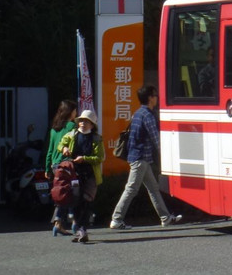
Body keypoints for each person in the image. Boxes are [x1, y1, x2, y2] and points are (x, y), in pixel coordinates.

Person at [110, 85, 182, 230]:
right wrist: (167, 156)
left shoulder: (138, 113)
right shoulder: (148, 116)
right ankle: (116, 219)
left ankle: (165, 218)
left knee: (153, 188)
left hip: (139, 157)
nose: (157, 98)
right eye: (155, 95)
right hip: (141, 158)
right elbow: (156, 139)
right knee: (131, 189)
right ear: (150, 98)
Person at [58, 109, 104, 243]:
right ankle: (80, 230)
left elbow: (100, 157)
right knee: (76, 202)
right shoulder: (72, 135)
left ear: (92, 125)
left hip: (90, 175)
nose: (83, 123)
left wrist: (84, 158)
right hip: (74, 174)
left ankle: (82, 229)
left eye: (86, 121)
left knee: (86, 201)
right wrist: (64, 148)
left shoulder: (96, 138)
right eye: (81, 121)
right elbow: (61, 144)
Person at [45, 100, 78, 236]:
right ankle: (74, 221)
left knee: (60, 193)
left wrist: (47, 169)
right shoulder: (72, 126)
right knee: (72, 193)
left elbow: (50, 150)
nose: (76, 113)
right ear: (70, 112)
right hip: (67, 164)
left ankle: (58, 223)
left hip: (55, 165)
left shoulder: (54, 128)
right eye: (75, 110)